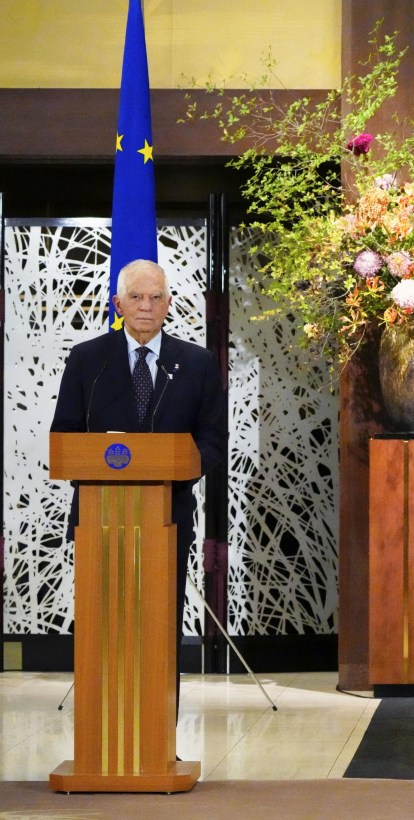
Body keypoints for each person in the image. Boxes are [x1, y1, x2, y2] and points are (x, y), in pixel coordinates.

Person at [51, 258, 226, 716]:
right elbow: (65, 436)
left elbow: (212, 441)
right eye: (136, 297)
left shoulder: (196, 364)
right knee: (105, 623)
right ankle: (101, 732)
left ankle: (157, 735)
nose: (146, 307)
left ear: (169, 303)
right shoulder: (87, 360)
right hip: (99, 519)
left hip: (166, 517)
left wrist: (178, 467)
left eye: (155, 297)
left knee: (158, 624)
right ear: (118, 304)